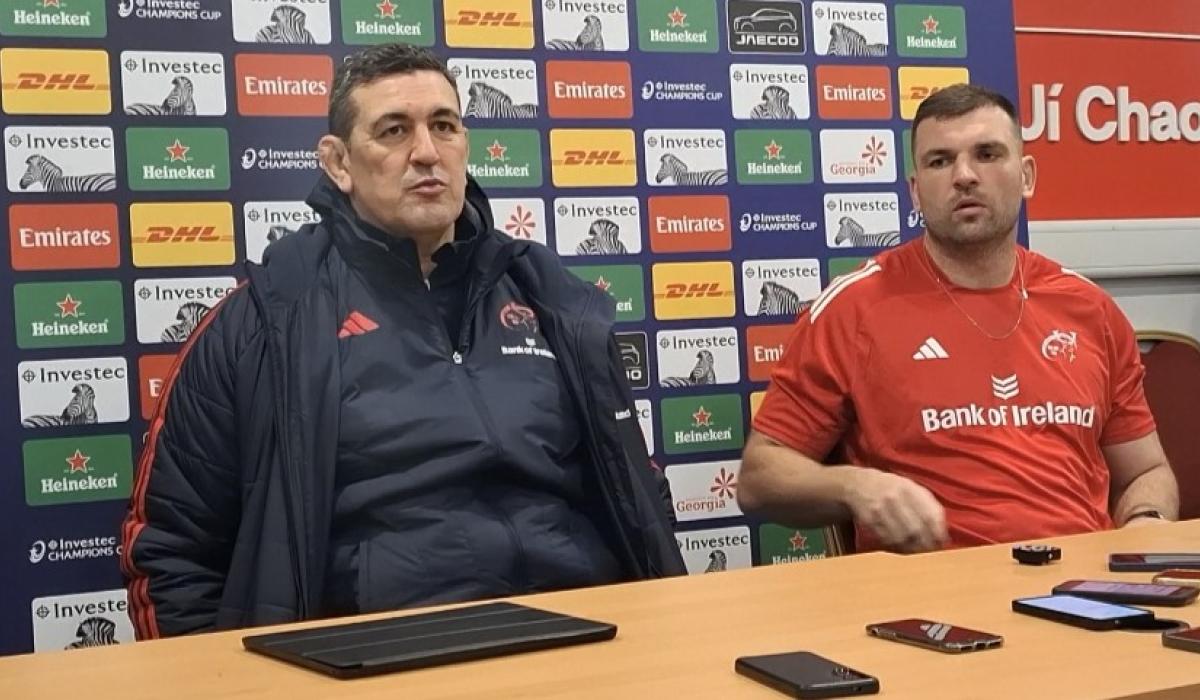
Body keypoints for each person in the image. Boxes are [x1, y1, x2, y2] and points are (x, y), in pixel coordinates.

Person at [121, 43, 684, 638]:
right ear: (338, 163)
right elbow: (171, 550)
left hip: (587, 633)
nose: (426, 153)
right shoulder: (265, 323)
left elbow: (638, 491)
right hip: (374, 655)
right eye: (393, 131)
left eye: (444, 126)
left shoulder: (553, 299)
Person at [739, 83, 1178, 553]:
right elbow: (760, 475)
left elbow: (1146, 470)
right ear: (915, 192)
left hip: (1084, 582)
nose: (964, 176)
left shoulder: (1090, 309)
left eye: (987, 154)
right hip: (936, 587)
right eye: (940, 161)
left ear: (1026, 176)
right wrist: (855, 487)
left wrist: (1146, 520)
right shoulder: (854, 309)